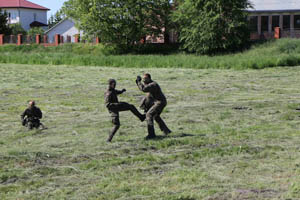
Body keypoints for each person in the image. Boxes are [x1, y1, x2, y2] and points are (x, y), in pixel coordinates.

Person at [136, 73, 171, 139]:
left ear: (149, 78)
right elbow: (147, 96)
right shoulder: (150, 84)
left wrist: (138, 82)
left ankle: (151, 135)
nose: (143, 80)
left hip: (160, 102)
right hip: (158, 102)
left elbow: (144, 89)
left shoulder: (153, 85)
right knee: (155, 116)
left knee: (149, 115)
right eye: (143, 79)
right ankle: (166, 131)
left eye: (145, 79)